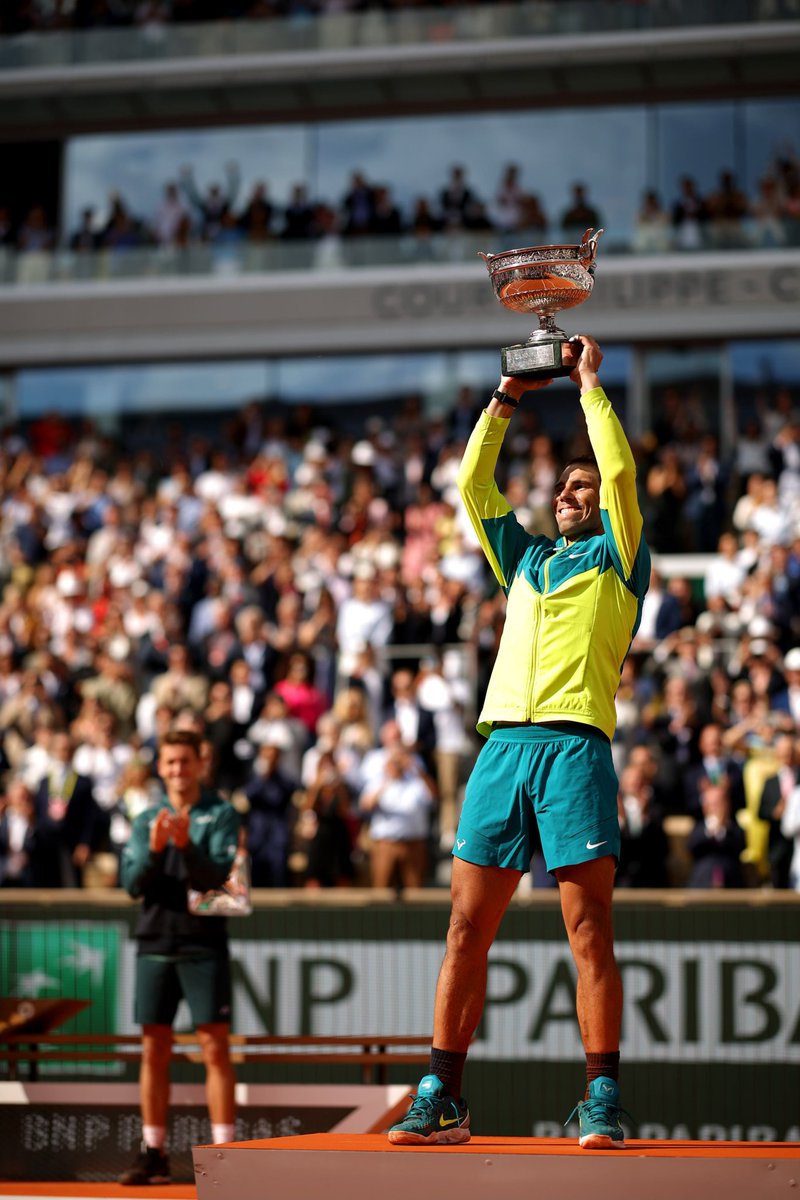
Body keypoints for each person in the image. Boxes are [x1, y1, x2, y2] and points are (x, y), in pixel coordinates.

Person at [388, 335, 650, 1150]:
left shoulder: (620, 558)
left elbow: (618, 474)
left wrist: (587, 386)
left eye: (583, 487)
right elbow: (471, 482)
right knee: (466, 928)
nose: (572, 493)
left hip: (574, 748)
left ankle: (600, 1096)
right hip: (502, 751)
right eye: (563, 487)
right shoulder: (525, 559)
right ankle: (443, 1094)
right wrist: (506, 394)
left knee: (588, 931)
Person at [118, 729, 241, 1185]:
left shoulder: (222, 813)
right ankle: (154, 1153)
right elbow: (131, 884)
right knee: (153, 1050)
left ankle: (226, 1156)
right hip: (154, 943)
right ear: (160, 766)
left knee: (214, 1048)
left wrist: (187, 845)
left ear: (199, 764)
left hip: (203, 943)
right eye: (169, 762)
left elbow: (219, 880)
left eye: (184, 761)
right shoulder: (146, 817)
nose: (177, 770)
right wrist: (154, 850)